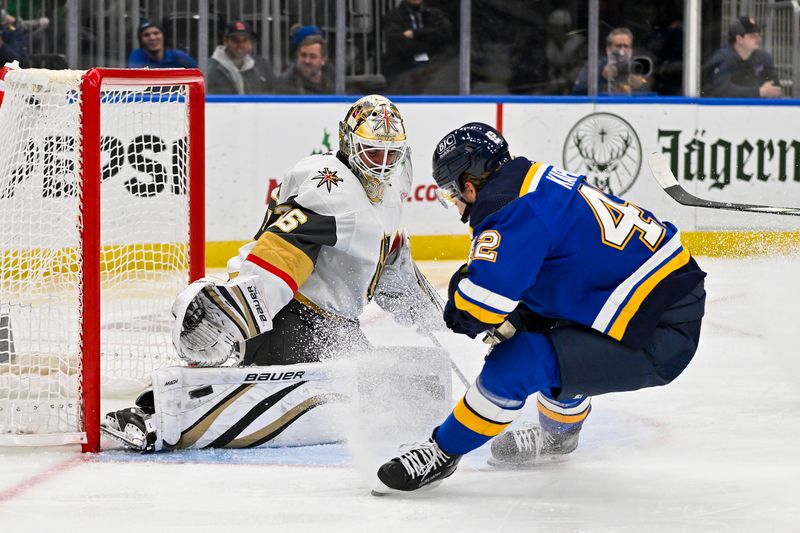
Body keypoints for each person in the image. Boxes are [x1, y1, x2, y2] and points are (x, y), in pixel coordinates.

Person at [373, 122, 707, 494]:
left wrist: (460, 288)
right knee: (542, 333)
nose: (457, 204)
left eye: (454, 194)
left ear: (470, 185)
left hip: (659, 332)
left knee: (519, 361)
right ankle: (558, 439)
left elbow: (473, 311)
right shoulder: (533, 180)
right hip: (654, 297)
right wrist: (521, 314)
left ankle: (442, 451)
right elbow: (558, 266)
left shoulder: (511, 211)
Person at [101, 95, 445, 452]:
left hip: (337, 325)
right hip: (288, 318)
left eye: (392, 154)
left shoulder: (395, 182)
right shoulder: (331, 192)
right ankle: (154, 416)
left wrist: (431, 311)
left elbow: (388, 251)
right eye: (374, 153)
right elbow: (281, 253)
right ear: (349, 142)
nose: (383, 165)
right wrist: (236, 314)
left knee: (381, 393)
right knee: (305, 398)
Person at [381, 0, 454, 94]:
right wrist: (430, 42)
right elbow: (400, 44)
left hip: (433, 68)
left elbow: (446, 35)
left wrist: (416, 33)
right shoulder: (393, 17)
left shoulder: (433, 14)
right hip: (403, 69)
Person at [703, 16, 781, 98]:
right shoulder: (723, 58)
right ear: (739, 39)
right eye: (753, 36)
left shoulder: (764, 58)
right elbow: (722, 91)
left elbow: (776, 88)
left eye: (759, 35)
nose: (759, 39)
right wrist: (759, 91)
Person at [573, 27, 653, 95]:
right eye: (618, 46)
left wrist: (639, 87)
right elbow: (577, 92)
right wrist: (601, 78)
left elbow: (650, 95)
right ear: (608, 49)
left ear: (631, 50)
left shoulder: (637, 67)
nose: (622, 50)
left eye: (626, 46)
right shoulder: (595, 66)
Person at [206, 20, 276, 95]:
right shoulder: (208, 68)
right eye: (235, 40)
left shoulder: (261, 66)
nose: (240, 45)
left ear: (251, 43)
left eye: (245, 40)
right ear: (225, 41)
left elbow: (274, 93)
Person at [127, 20, 197, 69]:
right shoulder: (137, 56)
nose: (152, 38)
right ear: (141, 39)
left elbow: (197, 76)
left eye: (156, 33)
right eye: (146, 35)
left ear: (163, 36)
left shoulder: (178, 56)